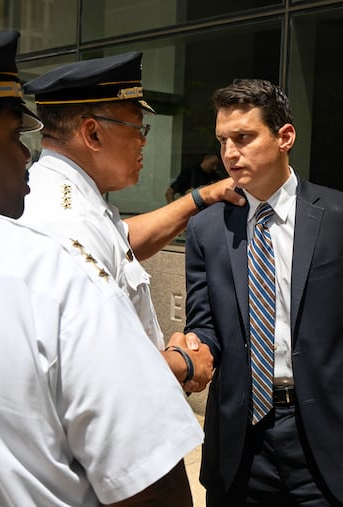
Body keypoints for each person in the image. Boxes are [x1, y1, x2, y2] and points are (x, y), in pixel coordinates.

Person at [0, 31, 202, 506]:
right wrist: (183, 363)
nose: (29, 155)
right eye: (13, 135)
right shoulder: (46, 275)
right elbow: (148, 483)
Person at [184, 78, 343, 506]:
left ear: (285, 137)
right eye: (223, 140)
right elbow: (205, 327)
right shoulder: (207, 230)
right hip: (240, 442)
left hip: (332, 440)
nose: (230, 153)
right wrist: (187, 355)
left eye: (244, 138)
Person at [21, 53, 244, 392]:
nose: (144, 141)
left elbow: (119, 243)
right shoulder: (66, 221)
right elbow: (97, 357)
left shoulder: (64, 193)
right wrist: (183, 364)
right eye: (138, 128)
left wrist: (200, 198)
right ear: (92, 134)